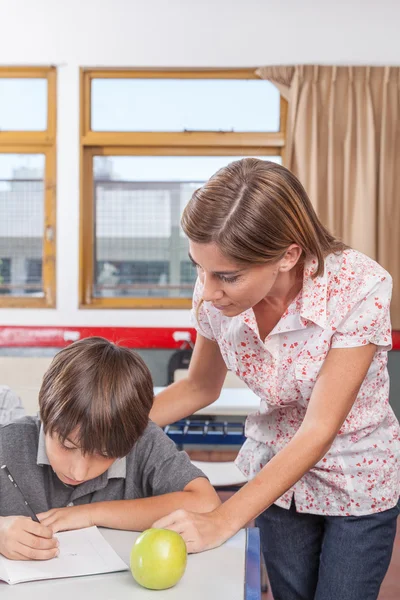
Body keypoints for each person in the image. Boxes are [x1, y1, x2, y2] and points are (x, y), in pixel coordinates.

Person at [150, 158, 400, 600]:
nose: (207, 291)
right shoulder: (215, 293)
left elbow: (319, 429)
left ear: (288, 255)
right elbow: (199, 386)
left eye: (227, 276)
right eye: (199, 269)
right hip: (278, 482)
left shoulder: (357, 286)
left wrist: (225, 519)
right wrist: (108, 425)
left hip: (357, 480)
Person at [0, 337, 219, 561]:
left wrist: (90, 514)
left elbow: (206, 503)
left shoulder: (143, 442)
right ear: (46, 414)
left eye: (104, 455)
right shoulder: (7, 441)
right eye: (67, 445)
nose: (78, 472)